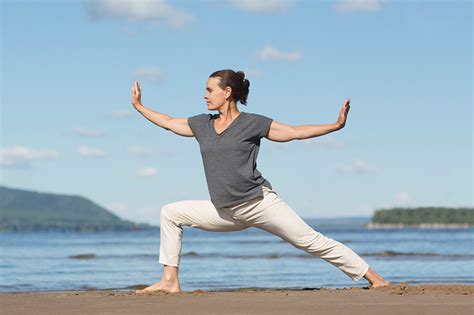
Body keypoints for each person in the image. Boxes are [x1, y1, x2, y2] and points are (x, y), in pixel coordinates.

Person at [131, 69, 389, 294]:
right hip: (225, 210)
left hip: (260, 203)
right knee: (170, 213)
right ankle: (169, 281)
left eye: (209, 90)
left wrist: (334, 126)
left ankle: (376, 279)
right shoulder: (201, 125)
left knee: (312, 241)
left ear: (227, 92)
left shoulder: (252, 123)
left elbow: (293, 132)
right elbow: (168, 122)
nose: (205, 95)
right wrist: (140, 107)